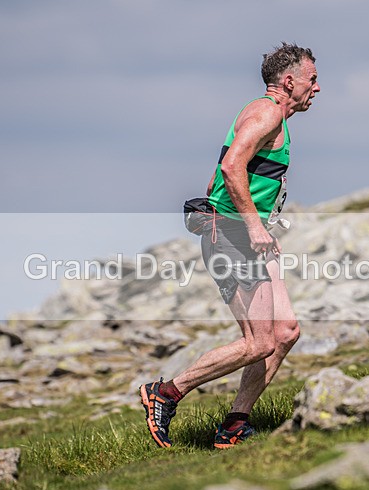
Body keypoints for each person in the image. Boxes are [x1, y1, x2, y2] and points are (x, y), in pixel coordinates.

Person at [140, 42, 320, 449]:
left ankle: (235, 423)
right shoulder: (268, 112)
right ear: (289, 82)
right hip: (235, 236)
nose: (317, 87)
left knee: (286, 331)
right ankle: (166, 393)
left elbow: (214, 181)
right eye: (312, 79)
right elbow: (230, 165)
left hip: (245, 234)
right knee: (259, 342)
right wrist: (254, 227)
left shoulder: (270, 116)